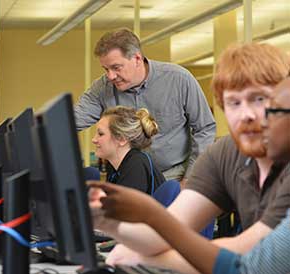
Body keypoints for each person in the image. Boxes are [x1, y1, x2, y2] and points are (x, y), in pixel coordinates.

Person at [88, 43, 290, 273]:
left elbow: (247, 259)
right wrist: (106, 221)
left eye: (259, 99)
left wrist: (145, 249)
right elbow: (159, 236)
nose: (246, 115)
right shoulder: (225, 154)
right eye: (234, 102)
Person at [74, 28, 216, 183]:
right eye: (106, 69)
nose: (111, 76)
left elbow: (205, 128)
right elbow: (72, 120)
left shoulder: (179, 80)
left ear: (137, 58)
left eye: (116, 68)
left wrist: (191, 178)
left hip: (174, 176)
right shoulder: (102, 88)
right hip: (129, 176)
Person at [92, 106, 165, 195]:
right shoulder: (113, 167)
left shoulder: (136, 165)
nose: (94, 140)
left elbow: (121, 207)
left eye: (100, 134)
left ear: (122, 139)